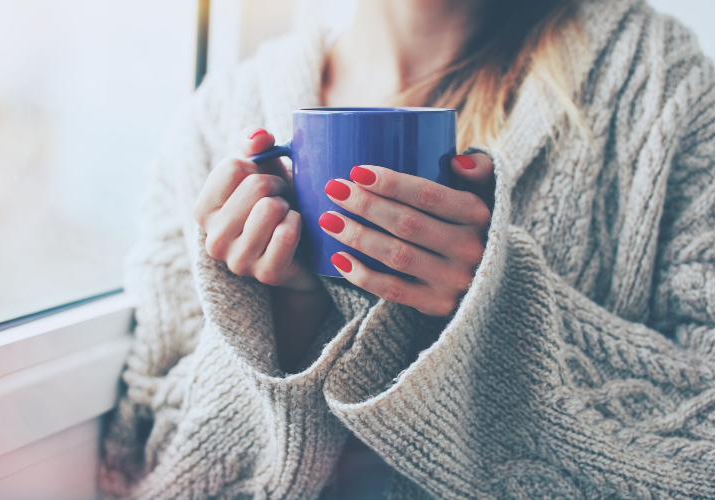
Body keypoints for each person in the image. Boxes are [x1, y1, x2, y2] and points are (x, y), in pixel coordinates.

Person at [99, 0, 715, 498]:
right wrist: (278, 318)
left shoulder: (660, 84)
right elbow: (140, 458)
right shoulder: (214, 122)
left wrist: (499, 313)